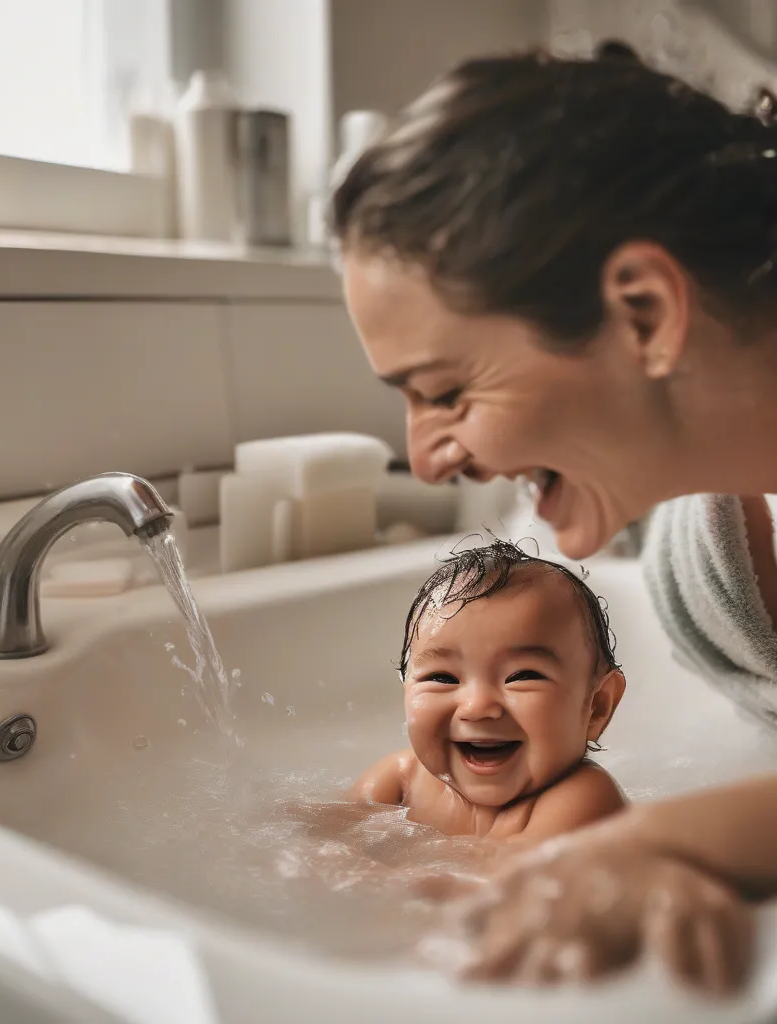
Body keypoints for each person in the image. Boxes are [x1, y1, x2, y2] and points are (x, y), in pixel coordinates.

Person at [329, 50, 776, 993]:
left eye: (445, 390)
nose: (426, 456)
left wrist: (646, 844)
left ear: (646, 313)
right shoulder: (695, 507)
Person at [353, 540, 626, 840]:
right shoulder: (401, 779)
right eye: (443, 678)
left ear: (596, 706)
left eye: (522, 676)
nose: (477, 706)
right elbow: (319, 841)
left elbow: (507, 883)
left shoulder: (585, 800)